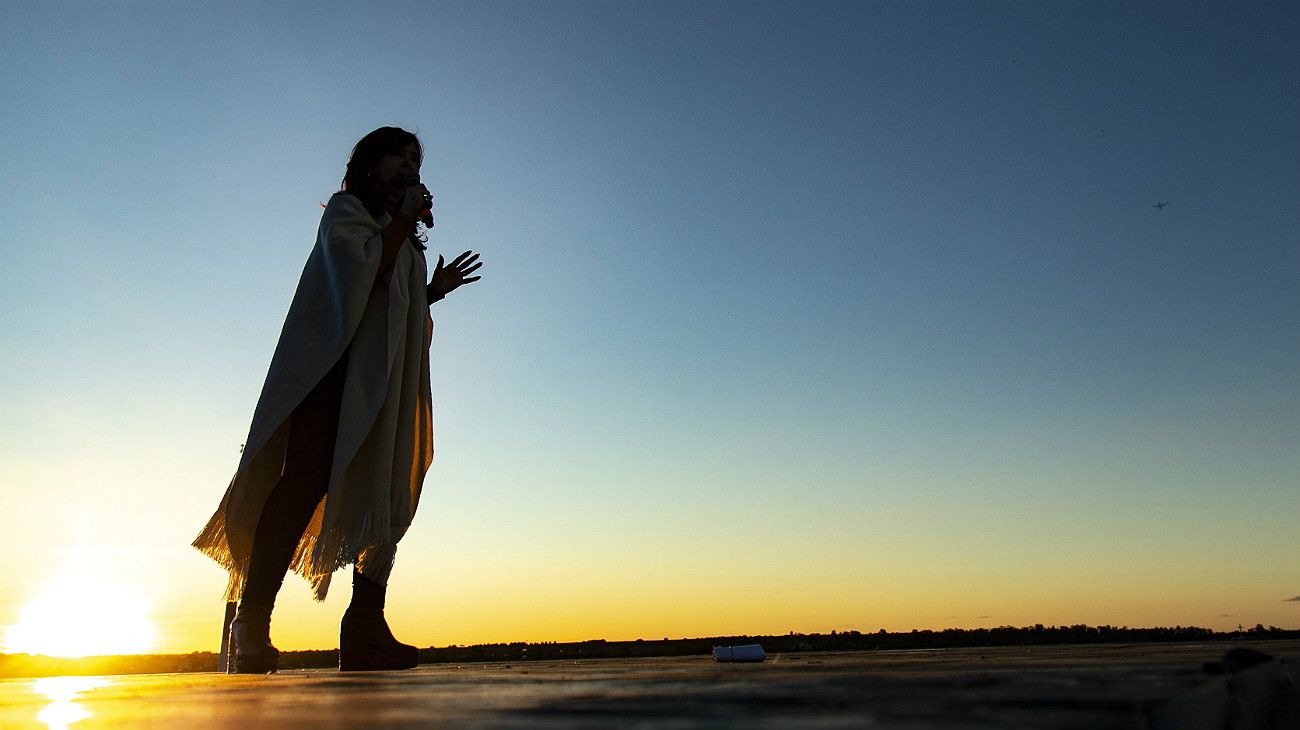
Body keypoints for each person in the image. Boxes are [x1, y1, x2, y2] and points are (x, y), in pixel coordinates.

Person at [193, 127, 481, 673]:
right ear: (370, 165)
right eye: (401, 157)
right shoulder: (347, 214)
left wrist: (431, 289)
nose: (411, 167)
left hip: (383, 382)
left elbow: (393, 301)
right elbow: (360, 275)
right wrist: (403, 221)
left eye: (417, 160)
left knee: (386, 487)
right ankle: (251, 620)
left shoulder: (404, 238)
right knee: (302, 483)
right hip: (332, 373)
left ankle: (365, 626)